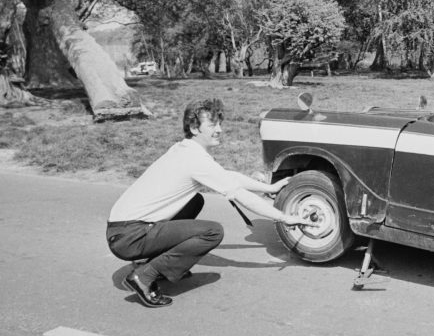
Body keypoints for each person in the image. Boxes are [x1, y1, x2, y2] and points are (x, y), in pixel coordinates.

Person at [106, 98, 308, 308]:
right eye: (212, 125)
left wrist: (270, 189)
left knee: (195, 201)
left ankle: (159, 265)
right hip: (129, 236)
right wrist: (284, 217)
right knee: (212, 232)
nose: (219, 129)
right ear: (194, 128)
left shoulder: (186, 149)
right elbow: (239, 194)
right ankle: (145, 276)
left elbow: (228, 177)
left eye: (219, 123)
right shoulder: (195, 159)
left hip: (123, 230)